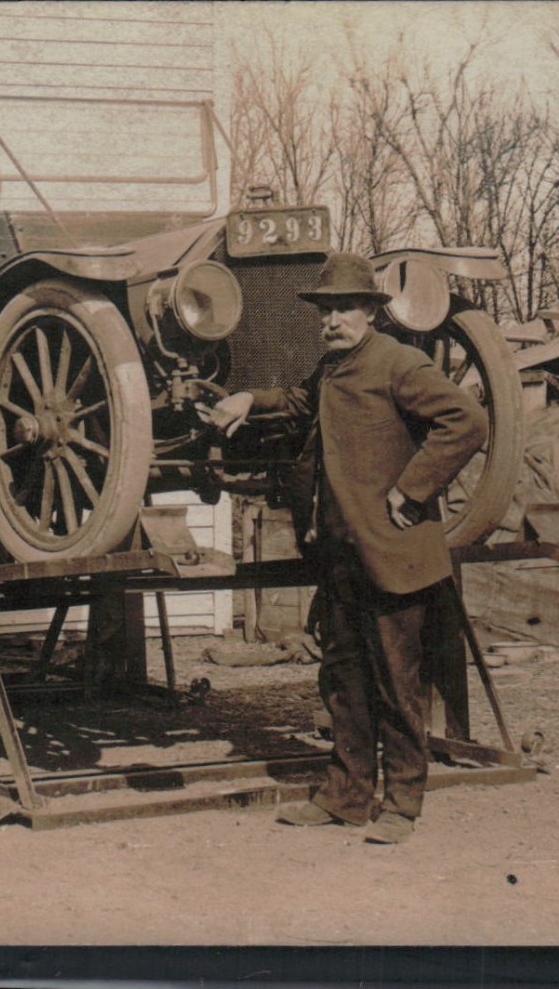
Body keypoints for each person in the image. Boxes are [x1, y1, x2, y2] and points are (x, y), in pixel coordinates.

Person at [201, 252, 487, 845]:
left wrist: (412, 490)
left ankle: (401, 806)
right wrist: (248, 400)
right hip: (342, 555)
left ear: (371, 312)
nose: (333, 320)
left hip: (394, 554)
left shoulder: (398, 363)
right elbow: (303, 402)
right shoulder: (332, 368)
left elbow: (466, 421)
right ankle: (345, 797)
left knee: (395, 684)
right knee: (344, 684)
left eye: (345, 308)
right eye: (326, 309)